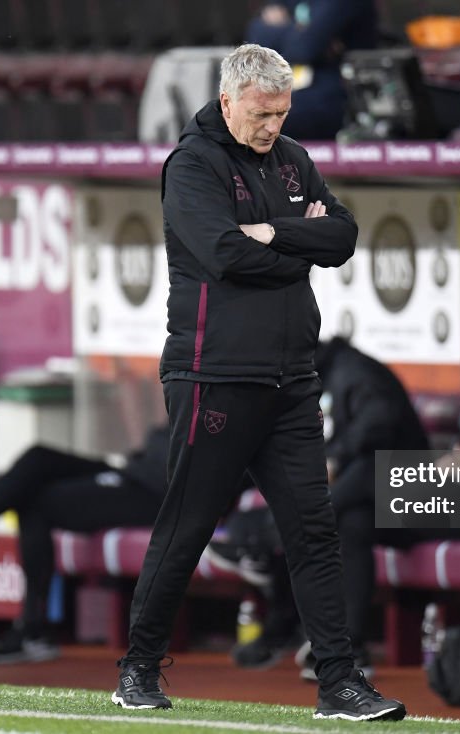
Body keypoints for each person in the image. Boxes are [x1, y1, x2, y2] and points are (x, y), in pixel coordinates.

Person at [112, 45, 405, 722]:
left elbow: (343, 237)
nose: (272, 125)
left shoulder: (293, 159)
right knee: (186, 526)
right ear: (227, 101)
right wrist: (296, 248)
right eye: (261, 112)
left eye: (281, 112)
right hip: (213, 377)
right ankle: (137, 668)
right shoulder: (192, 165)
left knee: (314, 530)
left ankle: (338, 681)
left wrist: (273, 233)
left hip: (291, 381)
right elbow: (220, 253)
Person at [213, 336, 437, 678]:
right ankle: (345, 649)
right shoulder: (313, 377)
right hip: (365, 509)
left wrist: (334, 458)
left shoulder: (354, 372)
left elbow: (380, 428)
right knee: (349, 524)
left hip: (413, 500)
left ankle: (266, 542)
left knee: (320, 513)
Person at [0, 426, 170, 664]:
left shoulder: (205, 398)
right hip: (133, 471)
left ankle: (33, 631)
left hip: (154, 491)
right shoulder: (188, 395)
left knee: (36, 502)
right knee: (39, 458)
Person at [246, 0, 378, 140]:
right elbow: (255, 36)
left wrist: (290, 33)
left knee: (257, 118)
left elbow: (304, 48)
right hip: (290, 90)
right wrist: (302, 32)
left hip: (335, 98)